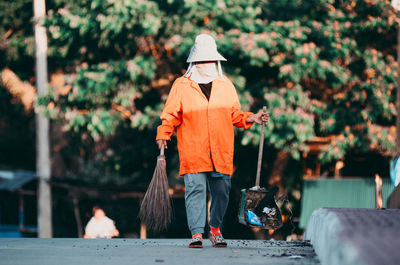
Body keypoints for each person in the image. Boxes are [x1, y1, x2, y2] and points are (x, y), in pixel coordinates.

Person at [156, 33, 269, 248]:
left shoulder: (225, 85)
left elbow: (235, 114)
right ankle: (197, 233)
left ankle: (215, 228)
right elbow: (170, 114)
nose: (204, 64)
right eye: (200, 61)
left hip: (221, 150)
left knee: (221, 191)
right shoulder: (181, 85)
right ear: (193, 62)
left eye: (208, 60)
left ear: (215, 61)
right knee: (195, 190)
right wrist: (163, 134)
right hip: (193, 150)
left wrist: (252, 117)